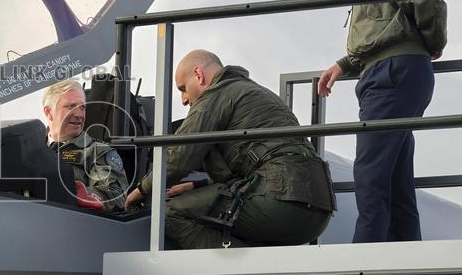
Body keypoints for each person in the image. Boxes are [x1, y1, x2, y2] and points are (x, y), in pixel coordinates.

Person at [317, 0, 448, 243]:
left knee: (371, 172)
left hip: (394, 71)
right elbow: (381, 24)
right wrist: (345, 64)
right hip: (386, 70)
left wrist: (431, 42)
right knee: (394, 177)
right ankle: (404, 260)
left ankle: (364, 262)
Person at [123, 50, 335, 249]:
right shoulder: (256, 92)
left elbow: (179, 156)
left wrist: (141, 190)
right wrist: (198, 184)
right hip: (319, 209)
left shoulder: (217, 94)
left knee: (169, 213)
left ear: (198, 75)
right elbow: (263, 157)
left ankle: (244, 271)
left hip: (280, 202)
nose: (184, 99)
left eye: (183, 88)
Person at [42, 79, 129, 211]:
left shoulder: (97, 151)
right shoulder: (30, 149)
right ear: (48, 112)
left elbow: (115, 195)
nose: (79, 114)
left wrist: (79, 194)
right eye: (70, 106)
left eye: (82, 107)